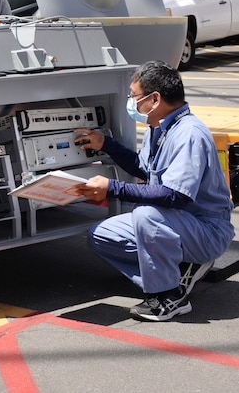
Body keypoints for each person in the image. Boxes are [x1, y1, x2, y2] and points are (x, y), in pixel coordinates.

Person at [73, 60, 235, 322]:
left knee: (147, 214)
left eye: (134, 96)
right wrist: (106, 144)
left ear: (155, 98)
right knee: (101, 235)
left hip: (206, 229)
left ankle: (169, 296)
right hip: (178, 222)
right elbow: (144, 168)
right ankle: (178, 270)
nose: (131, 102)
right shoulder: (158, 126)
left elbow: (175, 196)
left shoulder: (189, 133)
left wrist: (112, 188)